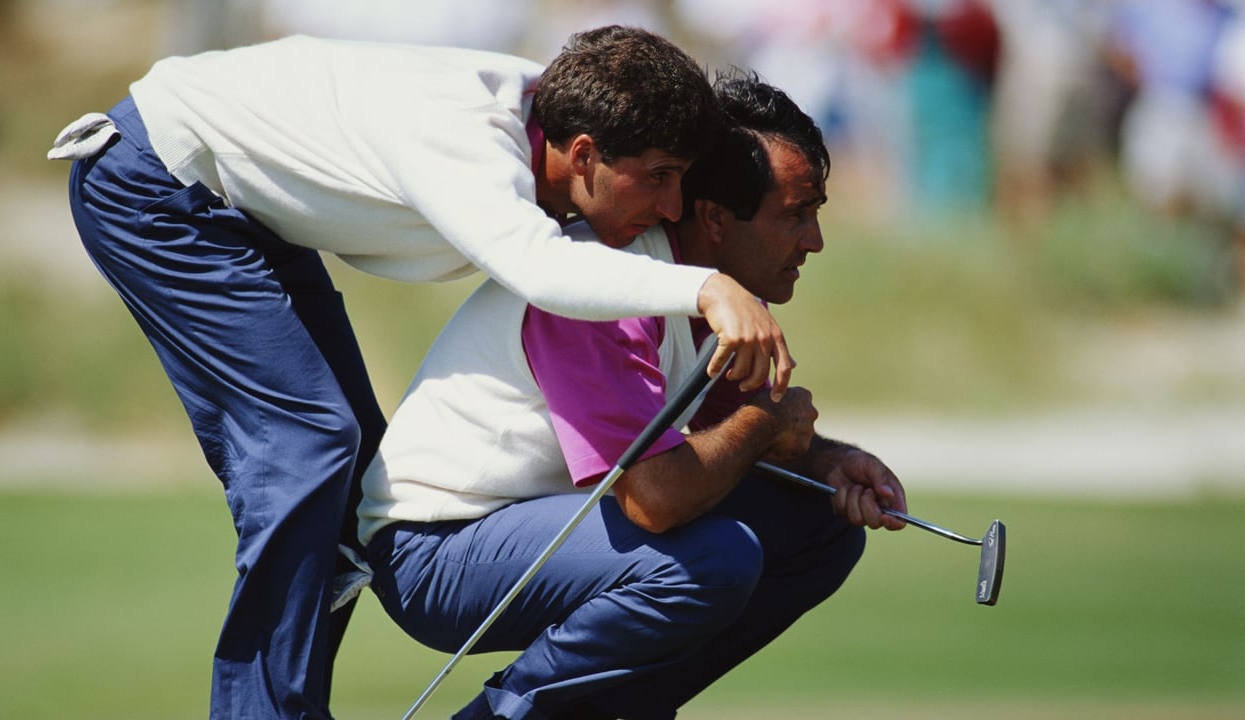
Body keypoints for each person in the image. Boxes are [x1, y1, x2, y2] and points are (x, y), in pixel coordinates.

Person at [49, 26, 796, 720]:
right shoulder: (467, 141)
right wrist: (707, 287)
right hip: (153, 184)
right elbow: (541, 271)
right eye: (660, 177)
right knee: (309, 447)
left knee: (339, 473)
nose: (670, 205)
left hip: (232, 206)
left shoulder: (566, 128)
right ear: (583, 155)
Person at [358, 69, 909, 720]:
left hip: (540, 526)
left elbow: (725, 442)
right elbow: (655, 499)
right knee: (710, 559)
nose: (814, 240)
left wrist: (823, 460)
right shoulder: (609, 286)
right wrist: (766, 421)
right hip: (436, 549)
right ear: (713, 218)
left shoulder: (723, 296)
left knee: (818, 527)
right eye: (795, 214)